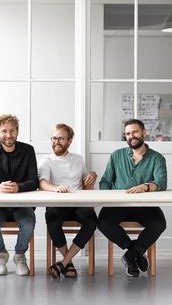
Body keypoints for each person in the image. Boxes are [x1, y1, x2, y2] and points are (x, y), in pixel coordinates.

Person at [98, 119, 167, 277]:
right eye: (128, 133)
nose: (131, 136)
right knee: (102, 222)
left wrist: (145, 186)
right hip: (118, 205)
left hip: (145, 205)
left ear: (143, 132)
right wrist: (109, 197)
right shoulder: (116, 155)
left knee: (159, 223)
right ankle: (134, 252)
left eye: (135, 132)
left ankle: (130, 257)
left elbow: (161, 183)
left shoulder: (157, 158)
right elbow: (105, 181)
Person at [0, 114, 39, 276]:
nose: (9, 135)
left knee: (29, 221)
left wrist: (18, 187)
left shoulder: (28, 150)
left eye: (12, 130)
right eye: (4, 131)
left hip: (22, 205)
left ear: (17, 131)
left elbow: (34, 181)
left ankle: (19, 256)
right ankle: (1, 254)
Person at [38, 123, 98, 279]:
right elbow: (42, 183)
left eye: (61, 138)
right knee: (51, 217)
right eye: (54, 138)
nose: (56, 142)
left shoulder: (78, 159)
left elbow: (87, 181)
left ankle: (63, 263)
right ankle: (68, 263)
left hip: (78, 203)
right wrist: (56, 188)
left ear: (69, 141)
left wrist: (92, 175)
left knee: (92, 220)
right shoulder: (46, 160)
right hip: (57, 203)